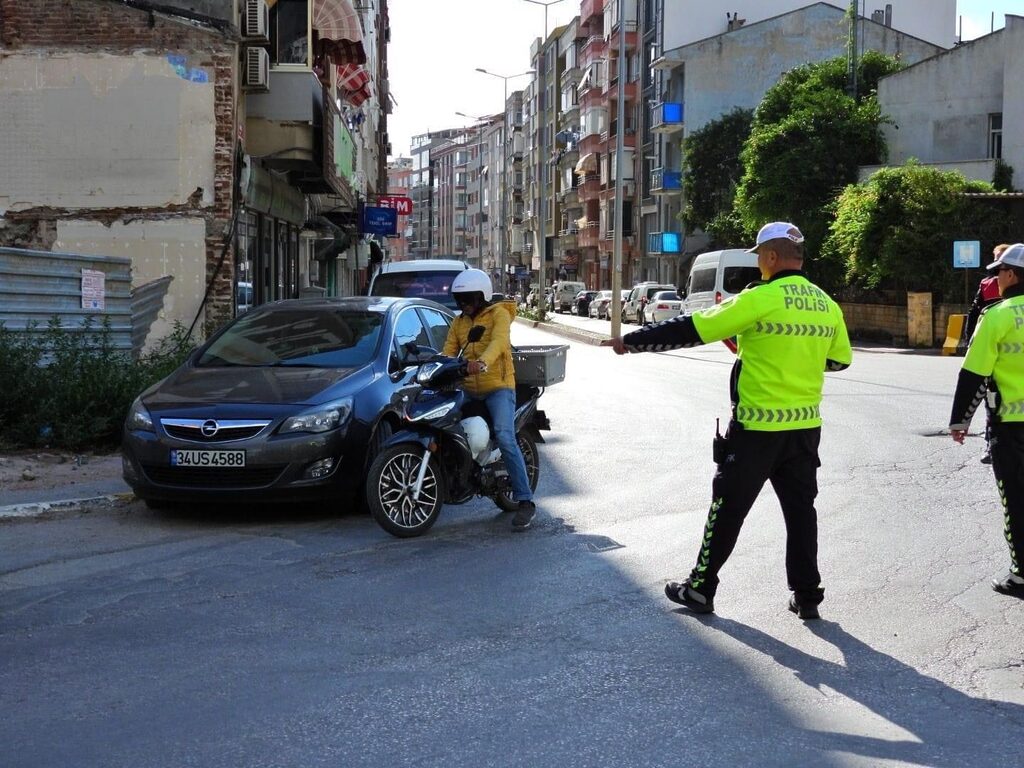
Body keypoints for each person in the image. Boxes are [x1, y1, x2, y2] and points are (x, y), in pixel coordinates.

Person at [602, 222, 852, 619]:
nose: (759, 266)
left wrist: (632, 341)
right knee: (802, 513)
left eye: (759, 258)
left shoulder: (760, 298)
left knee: (727, 509)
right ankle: (807, 597)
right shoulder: (826, 304)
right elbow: (839, 360)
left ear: (771, 257)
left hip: (756, 430)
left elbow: (694, 328)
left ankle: (700, 589)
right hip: (804, 430)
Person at [949, 242, 1024, 597]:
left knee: (1017, 499)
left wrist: (960, 421)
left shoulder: (997, 315)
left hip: (1011, 427)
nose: (995, 280)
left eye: (998, 273)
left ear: (1010, 274)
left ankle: (1022, 574)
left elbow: (975, 375)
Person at [443, 269, 537, 531]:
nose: (464, 305)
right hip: (468, 389)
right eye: (460, 299)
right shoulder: (459, 322)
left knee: (505, 436)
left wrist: (482, 362)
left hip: (498, 387)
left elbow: (498, 344)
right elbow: (448, 351)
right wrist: (438, 366)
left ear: (481, 296)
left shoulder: (499, 315)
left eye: (468, 298)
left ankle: (526, 501)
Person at [962, 243, 1011, 464]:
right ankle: (991, 444)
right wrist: (969, 342)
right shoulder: (987, 285)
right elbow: (974, 314)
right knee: (991, 399)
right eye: (995, 259)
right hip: (994, 354)